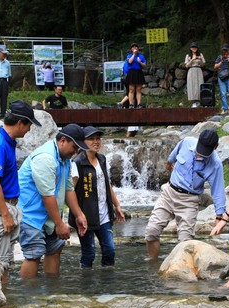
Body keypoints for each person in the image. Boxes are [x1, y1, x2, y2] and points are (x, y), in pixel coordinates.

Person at [17, 123, 89, 278]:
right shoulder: (46, 158)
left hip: (50, 215)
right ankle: (28, 296)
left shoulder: (65, 159)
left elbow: (69, 188)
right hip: (31, 215)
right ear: (63, 140)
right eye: (74, 147)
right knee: (33, 254)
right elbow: (47, 195)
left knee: (55, 249)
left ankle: (52, 293)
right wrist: (59, 224)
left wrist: (79, 214)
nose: (76, 152)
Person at [0, 100, 41, 272]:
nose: (29, 130)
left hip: (5, 206)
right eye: (29, 125)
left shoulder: (6, 142)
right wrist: (5, 214)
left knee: (5, 264)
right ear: (20, 123)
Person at [145, 129, 226, 259]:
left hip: (189, 201)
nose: (200, 155)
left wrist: (219, 216)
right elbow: (172, 157)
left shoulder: (215, 165)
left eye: (204, 153)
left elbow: (218, 190)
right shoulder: (187, 142)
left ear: (215, 147)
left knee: (185, 243)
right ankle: (153, 264)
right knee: (151, 232)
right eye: (200, 150)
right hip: (168, 193)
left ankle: (180, 273)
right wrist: (169, 164)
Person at [70, 126, 126, 268]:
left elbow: (107, 183)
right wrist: (78, 215)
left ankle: (106, 283)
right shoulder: (77, 162)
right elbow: (70, 191)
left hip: (104, 214)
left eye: (97, 138)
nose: (96, 142)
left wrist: (117, 206)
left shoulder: (101, 159)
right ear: (83, 142)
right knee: (89, 253)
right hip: (85, 216)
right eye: (91, 139)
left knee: (110, 251)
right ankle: (86, 283)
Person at [214, 43, 229, 115]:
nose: (225, 51)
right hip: (221, 78)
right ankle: (225, 109)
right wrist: (221, 61)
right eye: (224, 50)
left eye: (226, 50)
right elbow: (215, 67)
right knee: (223, 94)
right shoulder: (219, 57)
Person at [125, 43, 147, 108]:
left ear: (138, 48)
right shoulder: (129, 55)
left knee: (138, 89)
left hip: (138, 72)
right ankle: (131, 104)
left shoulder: (141, 56)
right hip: (131, 72)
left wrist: (140, 62)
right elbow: (129, 62)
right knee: (131, 89)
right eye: (133, 47)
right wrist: (134, 55)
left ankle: (139, 104)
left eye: (136, 47)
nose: (134, 48)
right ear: (131, 49)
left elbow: (144, 65)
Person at [185, 42, 205, 108]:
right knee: (192, 86)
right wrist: (192, 59)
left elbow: (202, 65)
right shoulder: (188, 56)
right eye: (193, 47)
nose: (194, 48)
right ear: (190, 48)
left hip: (198, 70)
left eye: (195, 47)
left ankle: (201, 100)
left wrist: (200, 59)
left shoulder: (200, 55)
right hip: (191, 70)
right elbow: (187, 66)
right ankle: (193, 102)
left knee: (200, 84)